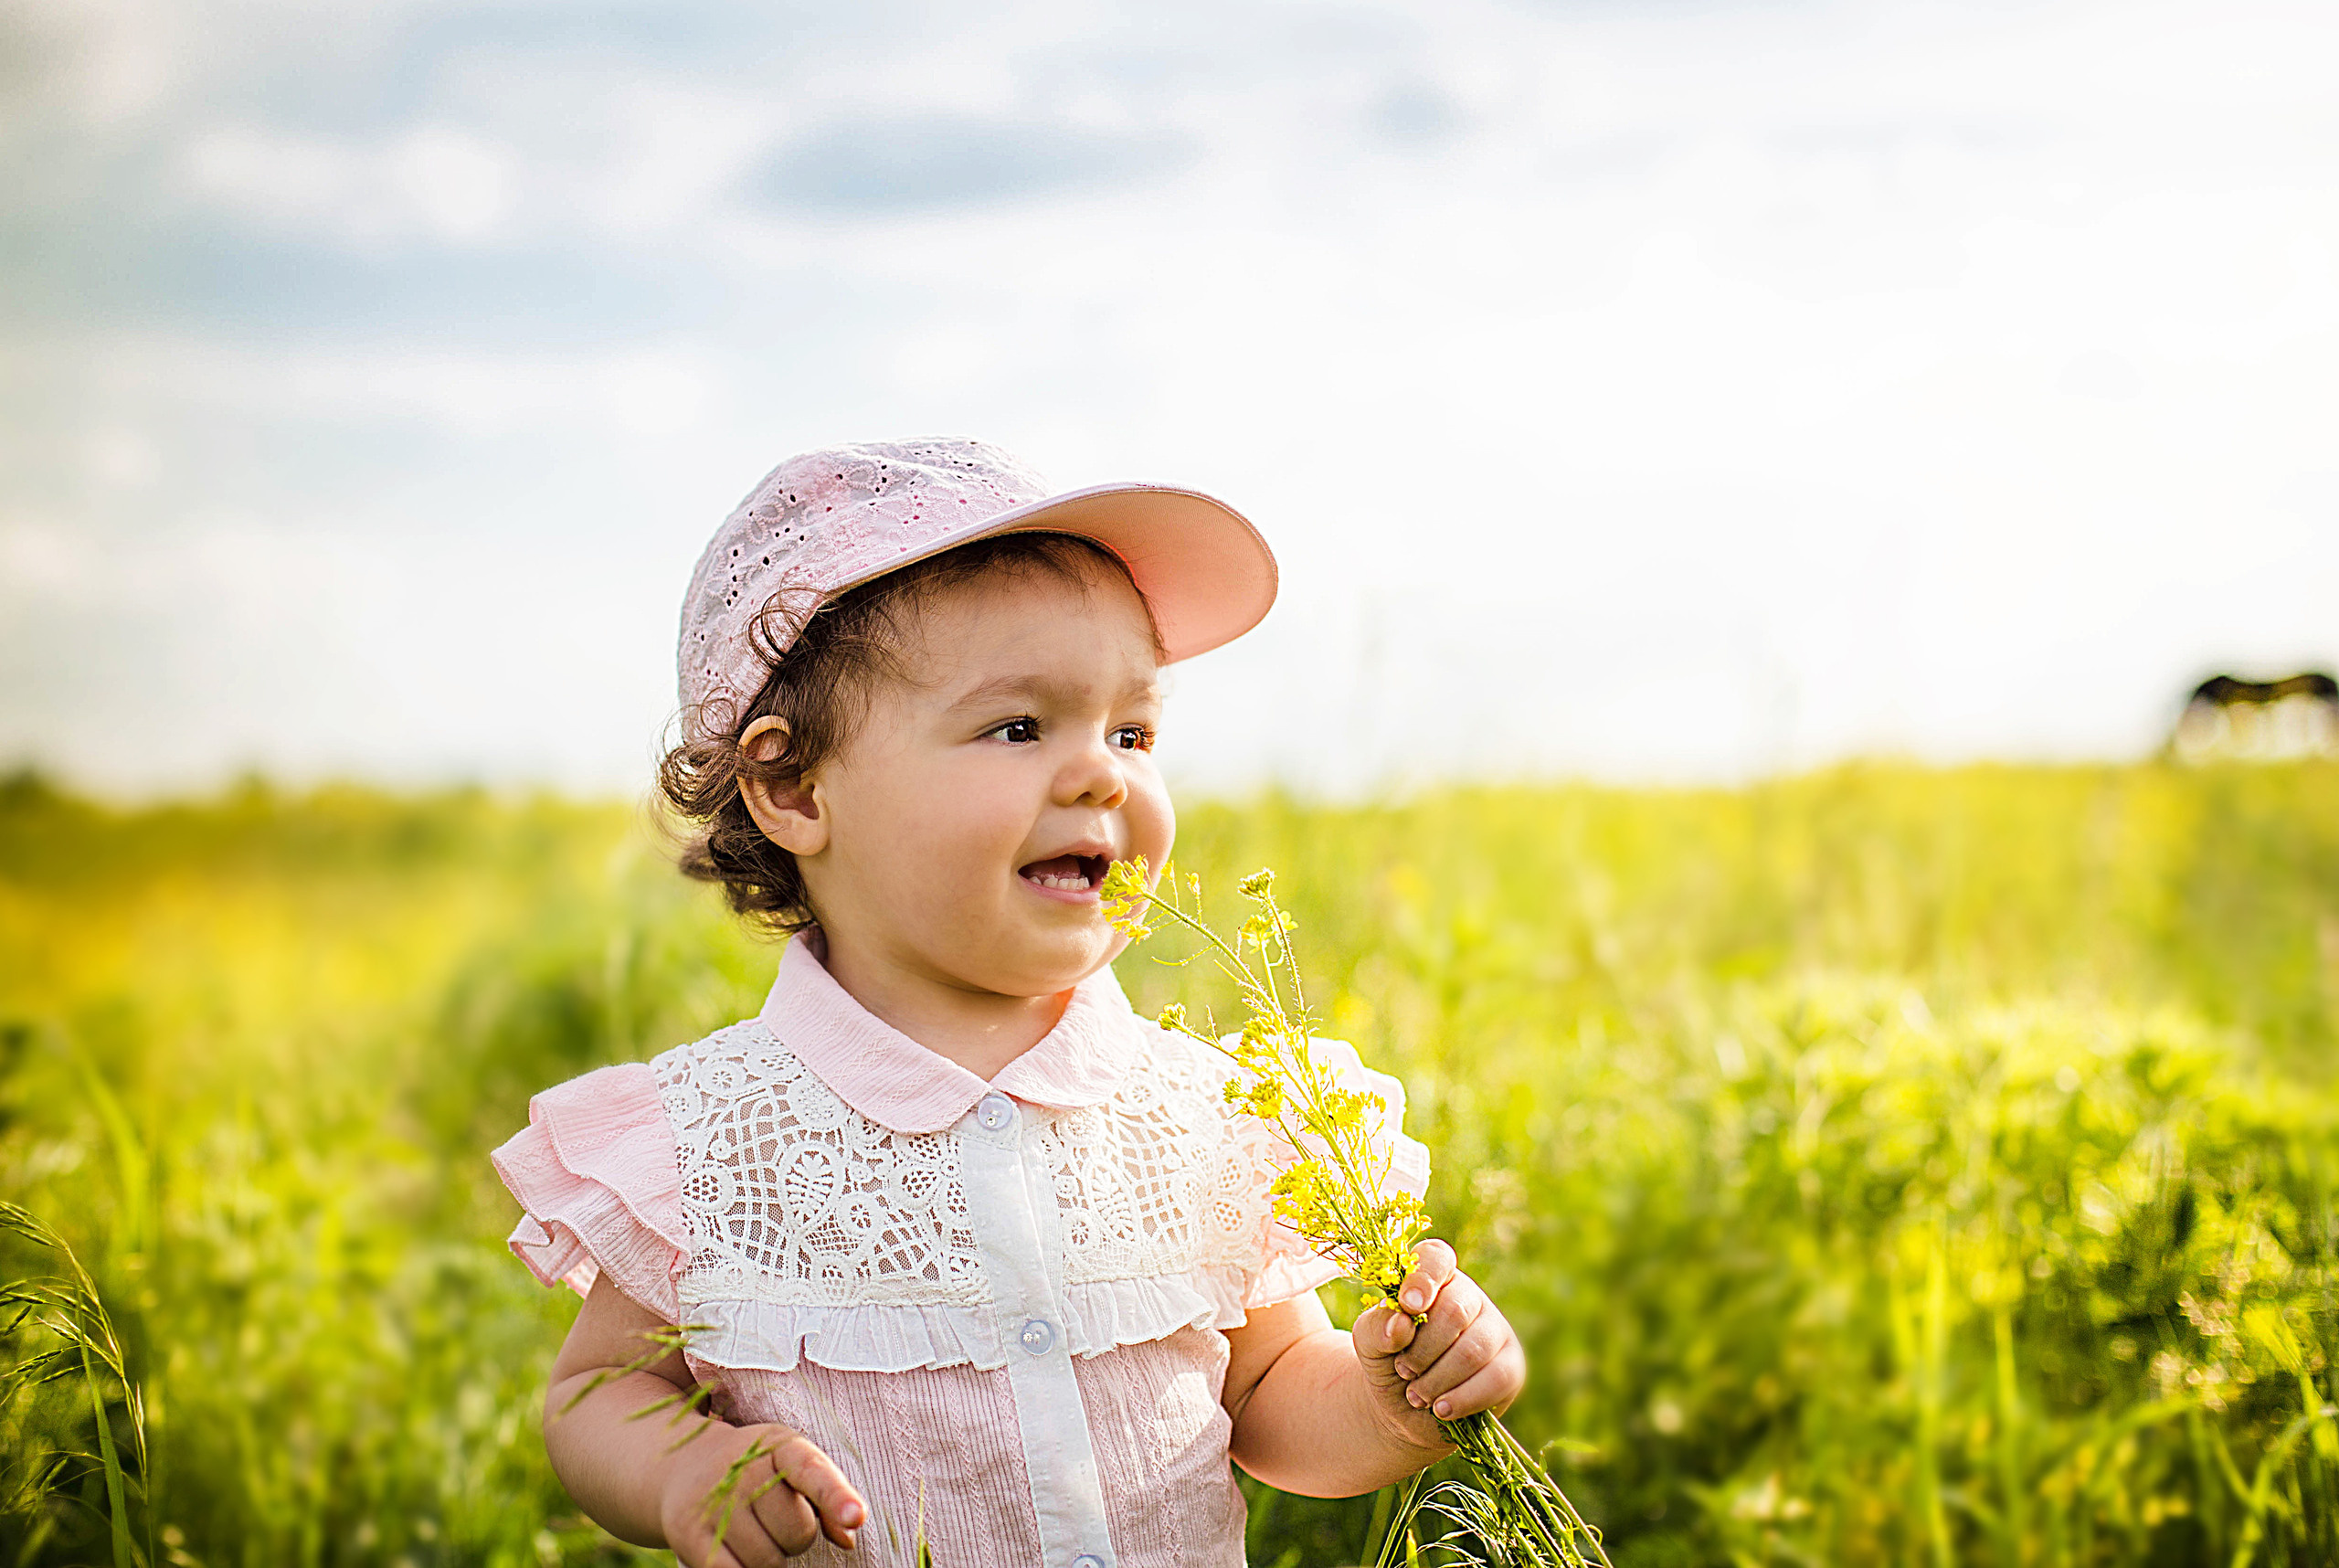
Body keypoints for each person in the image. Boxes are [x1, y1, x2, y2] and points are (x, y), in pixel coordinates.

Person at [491, 438, 1526, 1567]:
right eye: (1019, 727)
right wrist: (693, 1472)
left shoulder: (1205, 1114)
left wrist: (1392, 1398)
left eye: (1132, 731)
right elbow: (599, 1397)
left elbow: (1273, 1393)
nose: (1101, 775)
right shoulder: (708, 1142)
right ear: (792, 786)